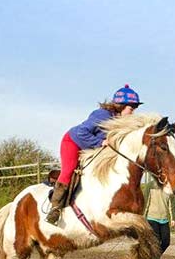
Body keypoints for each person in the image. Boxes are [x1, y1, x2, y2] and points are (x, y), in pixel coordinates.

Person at [46, 84, 142, 224]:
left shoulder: (119, 120)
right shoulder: (102, 115)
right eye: (131, 109)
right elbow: (81, 133)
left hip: (89, 144)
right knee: (69, 170)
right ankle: (55, 208)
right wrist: (99, 142)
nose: (132, 112)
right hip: (72, 141)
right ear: (121, 105)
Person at [143, 174, 175, 259]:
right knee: (156, 242)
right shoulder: (150, 186)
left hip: (164, 219)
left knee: (166, 241)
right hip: (152, 218)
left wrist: (173, 218)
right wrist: (143, 217)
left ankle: (154, 257)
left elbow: (172, 204)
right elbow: (146, 202)